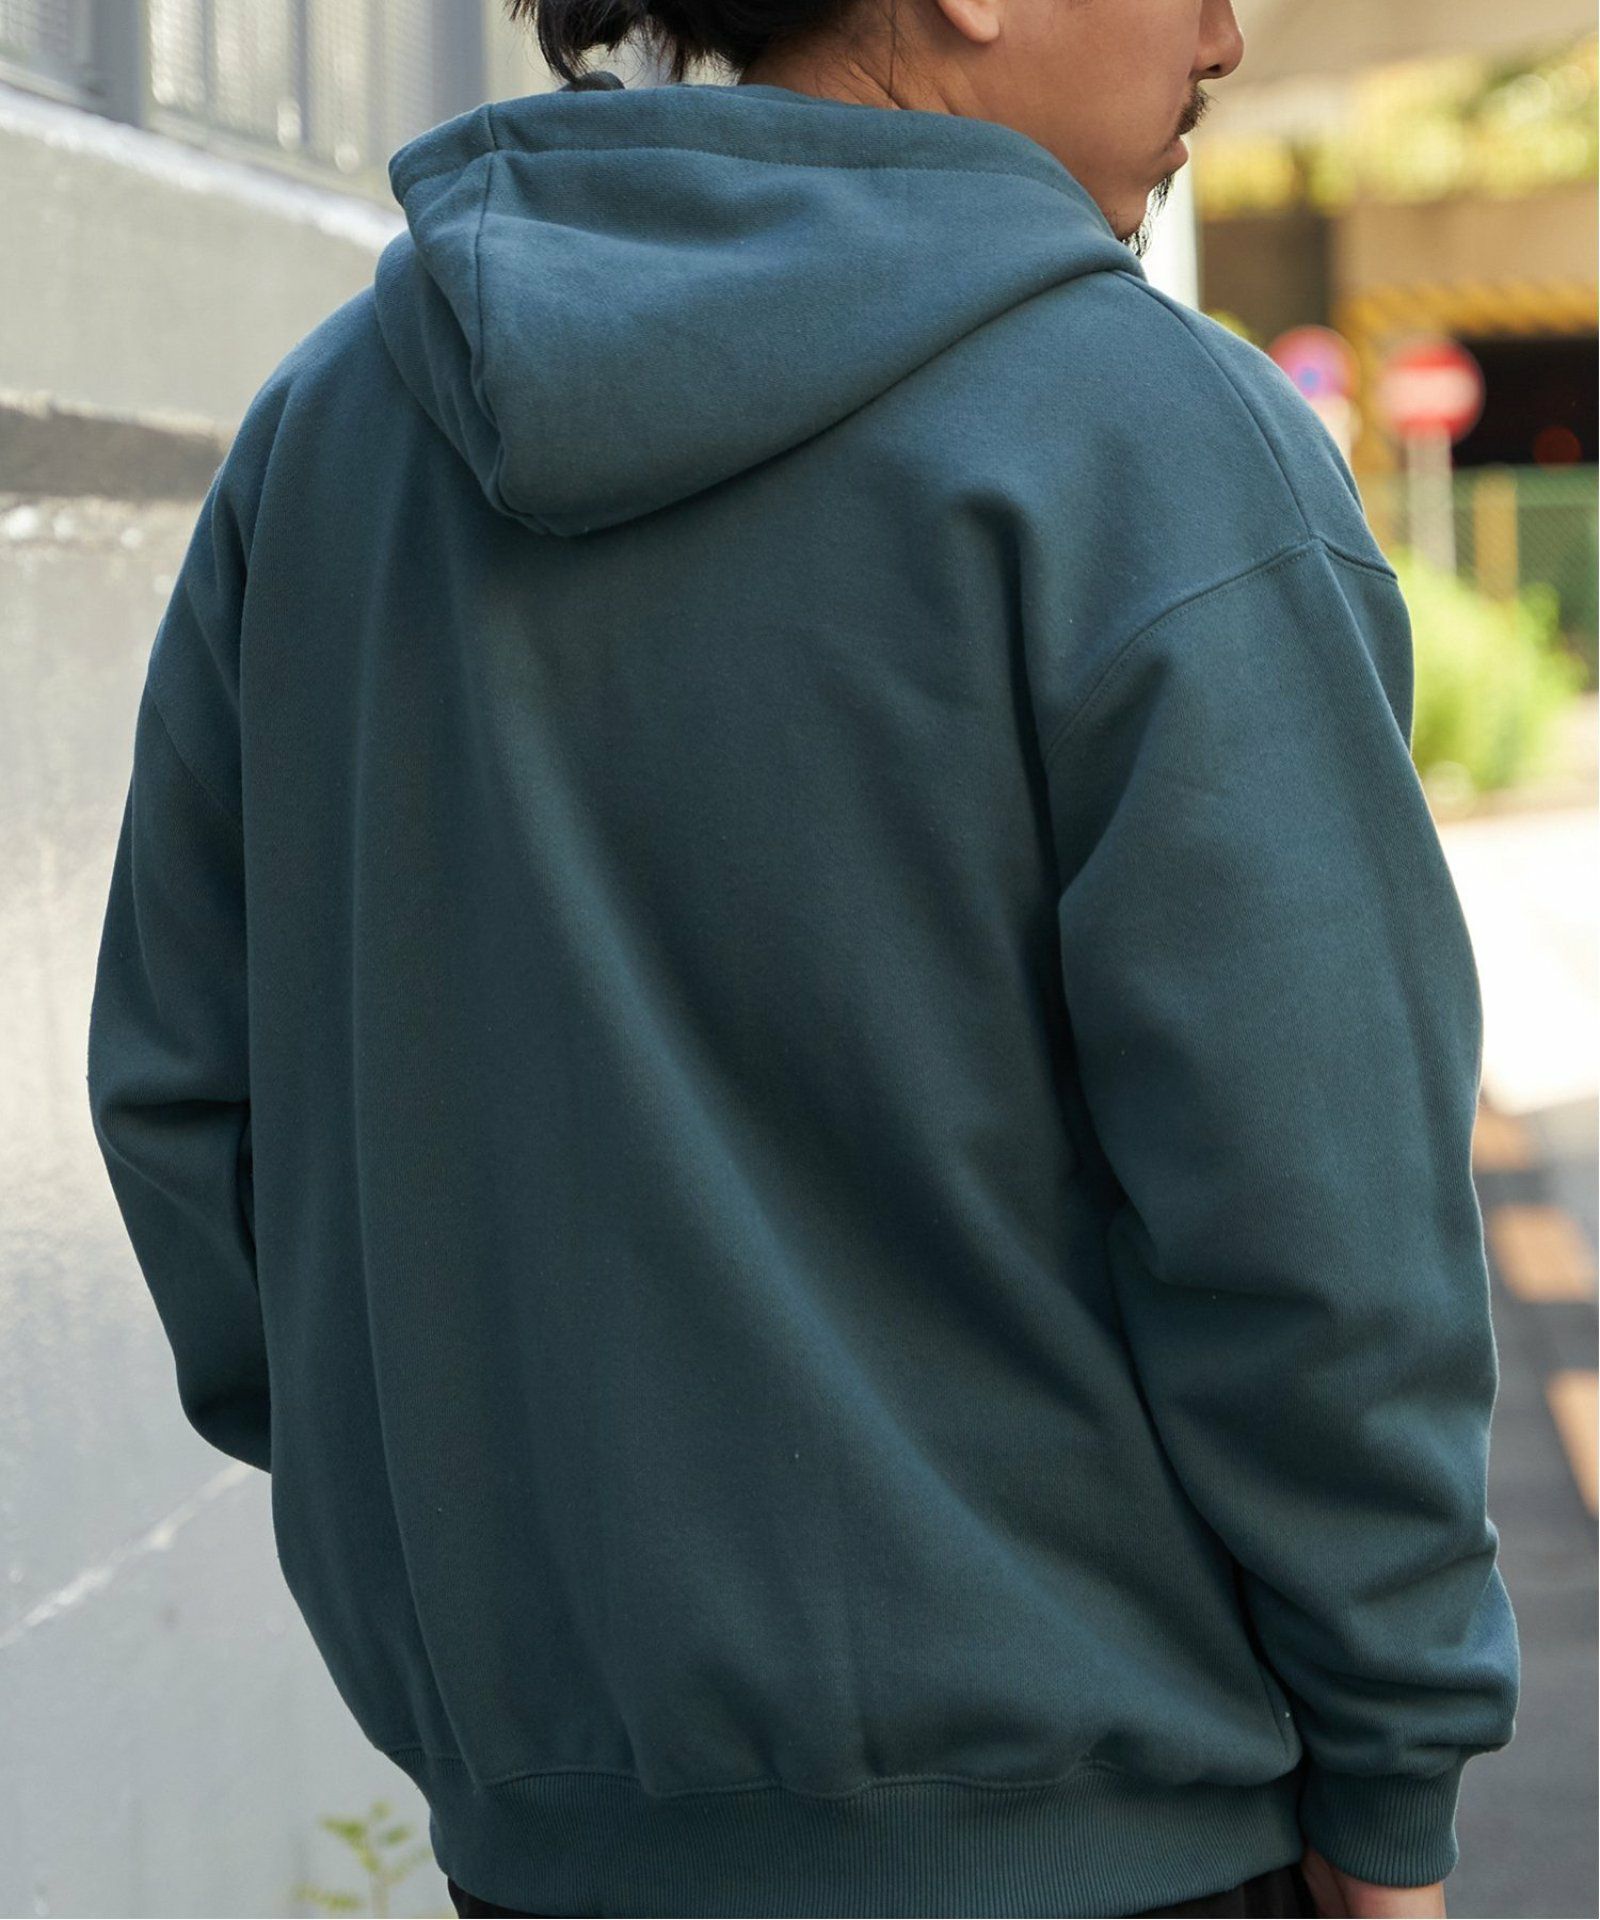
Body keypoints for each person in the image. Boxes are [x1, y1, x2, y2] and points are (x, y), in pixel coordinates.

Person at [84, 0, 1521, 1914]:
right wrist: (1395, 1766)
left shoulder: (328, 436)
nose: (1228, 36)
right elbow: (1321, 1226)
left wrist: (489, 1558)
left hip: (552, 1848)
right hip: (1102, 1843)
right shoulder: (1156, 444)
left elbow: (190, 1108)